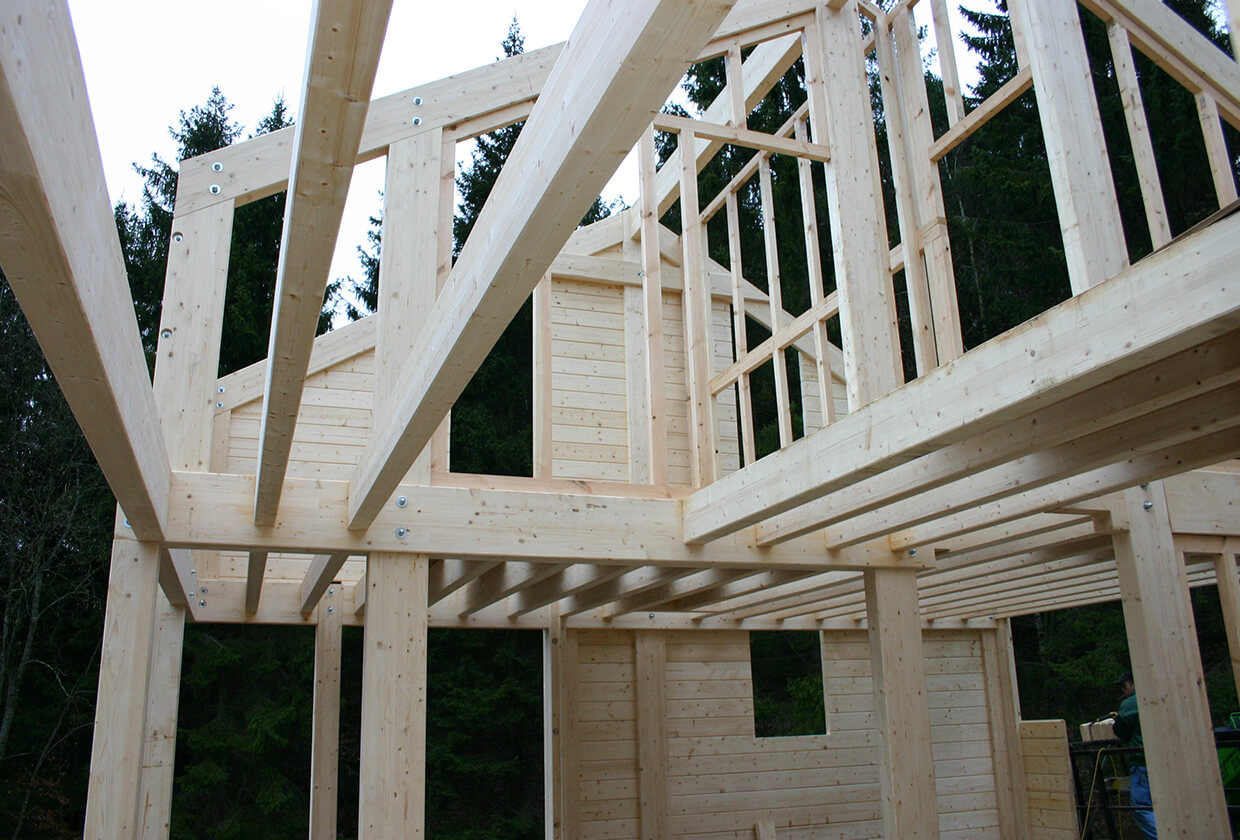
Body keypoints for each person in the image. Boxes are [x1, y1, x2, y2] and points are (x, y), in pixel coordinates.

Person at [1112, 670, 1157, 838]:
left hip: (1142, 761)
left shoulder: (1131, 703)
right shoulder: (1160, 694)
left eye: (1125, 686)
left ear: (1134, 684)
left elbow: (1120, 731)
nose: (1123, 691)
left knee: (1140, 808)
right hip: (1165, 761)